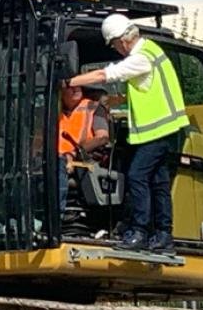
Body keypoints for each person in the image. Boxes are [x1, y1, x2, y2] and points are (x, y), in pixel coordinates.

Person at [68, 13, 190, 254]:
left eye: (113, 45)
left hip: (157, 132)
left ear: (122, 40)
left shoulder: (140, 58)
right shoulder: (153, 51)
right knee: (158, 182)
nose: (116, 49)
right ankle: (163, 235)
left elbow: (104, 75)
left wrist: (67, 81)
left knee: (136, 177)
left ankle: (140, 232)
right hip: (167, 131)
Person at [56, 82, 112, 232]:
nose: (75, 89)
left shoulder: (93, 108)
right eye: (70, 86)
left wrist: (73, 153)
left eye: (78, 85)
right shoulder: (52, 112)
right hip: (55, 159)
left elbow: (102, 137)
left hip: (85, 160)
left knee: (57, 168)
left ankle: (56, 218)